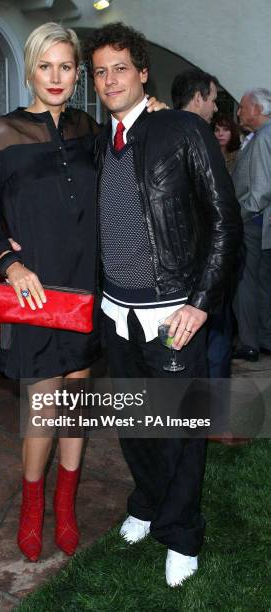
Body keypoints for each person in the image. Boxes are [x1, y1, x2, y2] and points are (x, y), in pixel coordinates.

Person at [0, 22, 163, 562]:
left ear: (78, 74)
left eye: (67, 66)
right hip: (34, 295)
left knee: (74, 404)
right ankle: (33, 509)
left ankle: (67, 504)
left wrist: (159, 112)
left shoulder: (88, 130)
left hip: (86, 288)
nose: (56, 76)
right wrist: (10, 264)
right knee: (42, 406)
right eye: (45, 65)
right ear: (29, 69)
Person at [84, 22, 241, 587]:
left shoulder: (182, 130)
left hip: (173, 312)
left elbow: (226, 224)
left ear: (143, 72)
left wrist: (200, 303)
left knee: (179, 428)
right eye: (100, 71)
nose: (109, 80)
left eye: (120, 68)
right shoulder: (104, 142)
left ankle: (182, 530)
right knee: (135, 423)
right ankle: (148, 503)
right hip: (116, 315)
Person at [172, 69, 235, 379]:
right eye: (212, 100)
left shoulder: (160, 131)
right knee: (213, 342)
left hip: (183, 271)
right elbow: (222, 215)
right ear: (197, 98)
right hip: (203, 266)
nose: (214, 108)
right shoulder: (198, 135)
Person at [232, 88, 271, 361]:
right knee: (261, 285)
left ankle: (250, 342)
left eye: (243, 108)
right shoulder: (260, 137)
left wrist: (238, 219)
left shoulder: (263, 139)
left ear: (258, 110)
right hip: (260, 224)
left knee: (245, 282)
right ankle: (263, 338)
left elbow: (259, 192)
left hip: (254, 223)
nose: (239, 113)